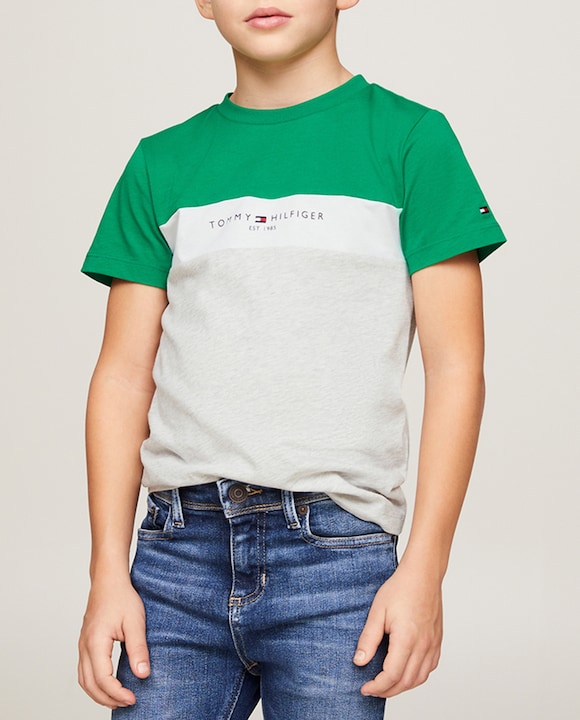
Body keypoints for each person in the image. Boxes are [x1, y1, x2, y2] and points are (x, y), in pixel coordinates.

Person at [77, 1, 507, 718]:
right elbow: (121, 378)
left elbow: (457, 370)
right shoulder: (161, 161)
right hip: (176, 558)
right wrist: (105, 576)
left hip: (338, 561)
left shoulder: (411, 140)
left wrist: (425, 571)